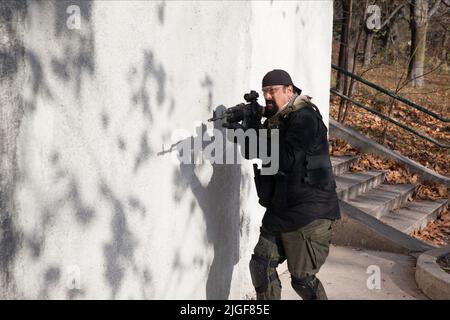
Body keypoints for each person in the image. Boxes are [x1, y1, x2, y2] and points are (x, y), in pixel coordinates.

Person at [224, 69, 341, 300]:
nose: (267, 96)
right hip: (281, 208)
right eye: (265, 91)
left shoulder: (305, 117)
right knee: (261, 267)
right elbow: (252, 151)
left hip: (309, 212)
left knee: (303, 280)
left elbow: (286, 157)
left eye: (273, 91)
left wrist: (250, 135)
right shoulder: (279, 118)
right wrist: (250, 124)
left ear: (289, 90)